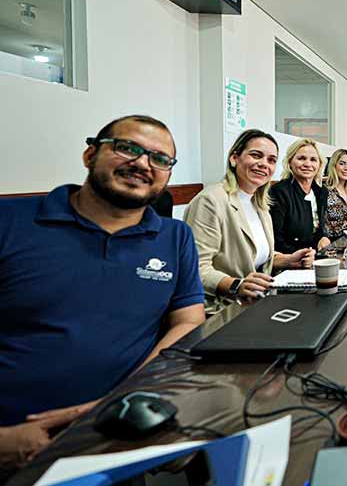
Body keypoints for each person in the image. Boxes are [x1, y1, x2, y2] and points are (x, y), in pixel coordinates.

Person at [0, 115, 205, 463]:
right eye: (127, 148)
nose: (142, 163)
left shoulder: (174, 237)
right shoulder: (10, 221)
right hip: (15, 438)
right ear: (90, 155)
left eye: (159, 159)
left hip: (119, 428)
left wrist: (130, 395)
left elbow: (188, 321)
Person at [184, 129, 314, 311]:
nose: (263, 164)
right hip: (222, 308)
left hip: (257, 303)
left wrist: (287, 260)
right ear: (234, 158)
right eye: (256, 155)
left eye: (271, 160)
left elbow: (253, 255)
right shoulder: (210, 201)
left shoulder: (260, 204)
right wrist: (236, 285)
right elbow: (195, 268)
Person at [269, 138, 331, 255]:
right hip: (289, 260)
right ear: (290, 162)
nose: (308, 164)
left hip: (315, 257)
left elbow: (319, 228)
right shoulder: (279, 192)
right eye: (301, 158)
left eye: (313, 160)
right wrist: (305, 254)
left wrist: (323, 237)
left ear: (319, 165)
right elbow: (276, 241)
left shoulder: (321, 192)